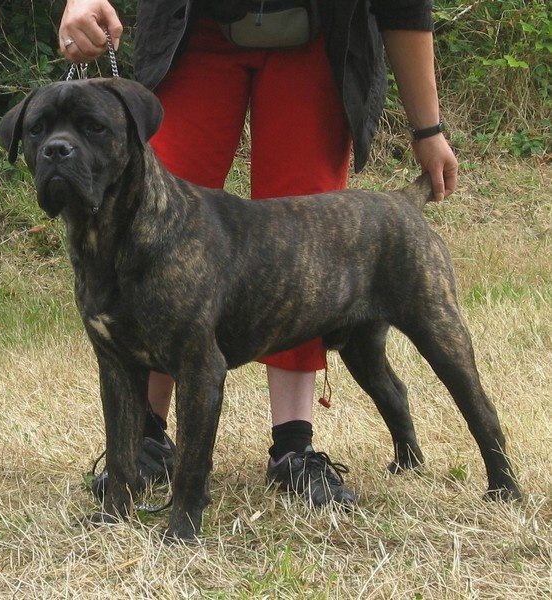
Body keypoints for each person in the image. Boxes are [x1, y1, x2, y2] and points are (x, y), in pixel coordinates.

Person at [58, 0, 458, 509]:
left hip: (316, 33)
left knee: (306, 246)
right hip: (193, 27)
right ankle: (147, 440)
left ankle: (294, 447)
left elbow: (402, 7)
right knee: (155, 218)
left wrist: (427, 128)